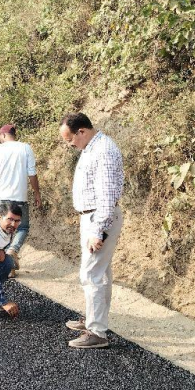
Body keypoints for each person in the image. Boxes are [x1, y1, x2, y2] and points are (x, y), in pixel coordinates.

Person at [59, 112, 124, 349]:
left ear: (82, 131)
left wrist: (98, 230)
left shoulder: (103, 151)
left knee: (91, 274)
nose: (70, 145)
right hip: (92, 216)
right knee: (101, 273)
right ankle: (93, 319)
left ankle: (96, 331)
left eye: (70, 140)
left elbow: (107, 196)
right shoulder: (92, 148)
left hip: (99, 217)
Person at [0, 123, 41, 278]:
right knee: (22, 227)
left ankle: (8, 266)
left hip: (2, 197)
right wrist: (37, 193)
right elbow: (32, 173)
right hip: (19, 197)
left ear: (3, 135)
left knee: (3, 229)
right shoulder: (25, 148)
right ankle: (12, 251)